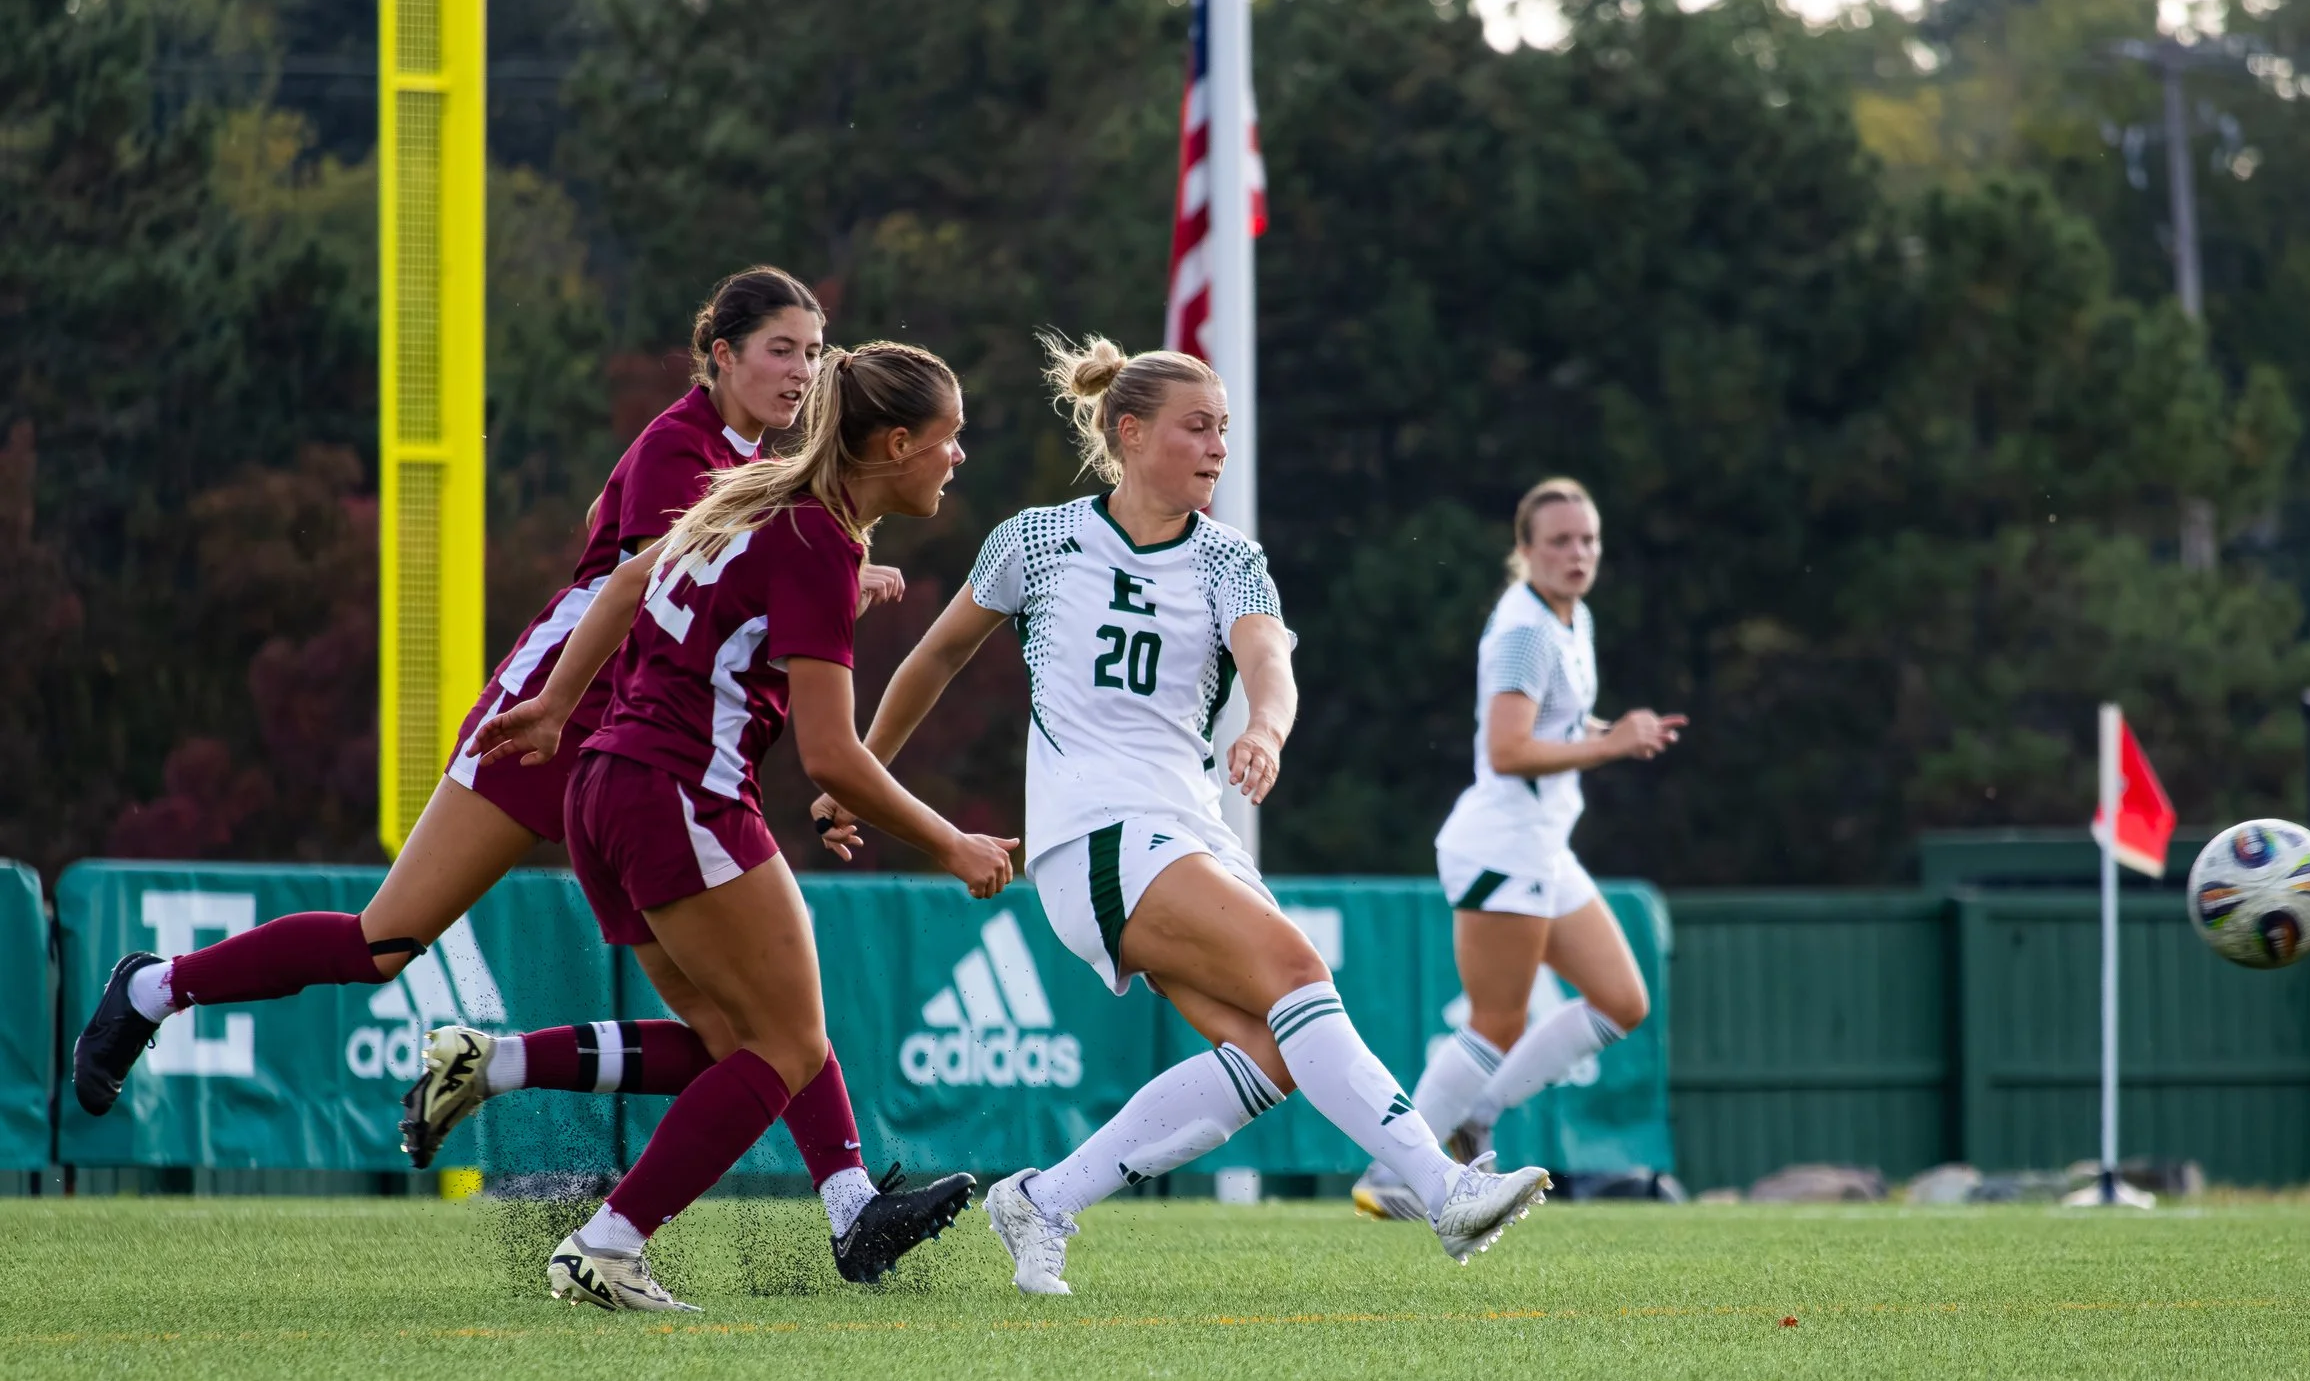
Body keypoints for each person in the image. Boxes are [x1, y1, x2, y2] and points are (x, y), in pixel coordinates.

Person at [67, 268, 914, 1277]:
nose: (801, 371)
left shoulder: (754, 462)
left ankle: (839, 1199)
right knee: (384, 941)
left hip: (647, 743)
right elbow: (650, 583)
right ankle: (157, 986)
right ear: (721, 353)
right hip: (557, 715)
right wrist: (817, 580)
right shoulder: (679, 445)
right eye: (781, 348)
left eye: (813, 353)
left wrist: (825, 578)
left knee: (754, 1021)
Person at [835, 334, 1552, 1297]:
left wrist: (1265, 727)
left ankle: (1043, 1199)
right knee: (1299, 973)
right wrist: (863, 769)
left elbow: (1270, 664)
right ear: (1130, 432)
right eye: (1198, 427)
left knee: (1271, 1053)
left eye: (1224, 428)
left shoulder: (1230, 557)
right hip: (1095, 834)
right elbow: (935, 656)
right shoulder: (1037, 538)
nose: (1219, 447)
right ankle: (1443, 1188)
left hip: (1186, 830)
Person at [462, 338, 1014, 1311]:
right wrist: (950, 842)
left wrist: (556, 707)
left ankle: (851, 1209)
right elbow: (832, 755)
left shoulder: (758, 492)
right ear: (894, 444)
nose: (958, 456)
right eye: (949, 436)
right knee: (788, 1044)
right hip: (681, 792)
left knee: (739, 1038)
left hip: (607, 786)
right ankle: (608, 1242)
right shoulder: (820, 539)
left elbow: (624, 583)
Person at [1351, 477, 1683, 1222]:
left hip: (1541, 847)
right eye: (1560, 541)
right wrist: (1612, 747)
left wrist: (1611, 733)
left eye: (1588, 540)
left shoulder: (1571, 617)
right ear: (1525, 550)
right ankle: (1391, 1170)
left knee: (1622, 1002)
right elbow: (1507, 750)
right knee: (1494, 1021)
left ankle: (1476, 1116)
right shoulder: (1526, 631)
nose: (1577, 553)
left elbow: (1555, 724)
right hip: (1502, 846)